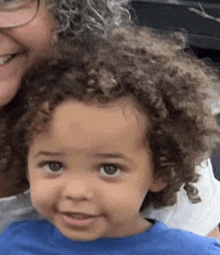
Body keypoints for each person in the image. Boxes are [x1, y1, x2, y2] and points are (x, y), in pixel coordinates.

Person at [0, 0, 220, 239]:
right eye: (54, 165)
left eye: (6, 2)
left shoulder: (138, 116)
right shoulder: (18, 241)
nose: (77, 192)